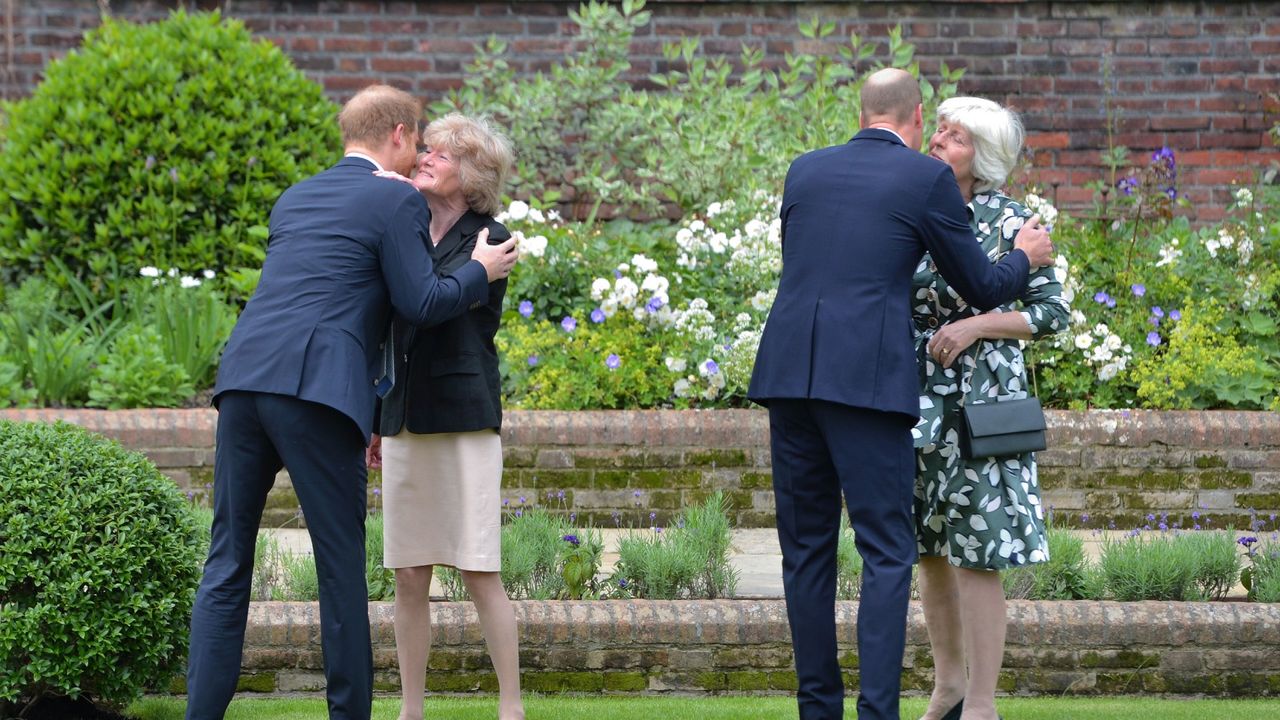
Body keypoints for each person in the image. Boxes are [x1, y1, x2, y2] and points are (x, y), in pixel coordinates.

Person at [186, 86, 518, 720]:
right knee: (340, 569)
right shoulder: (393, 198)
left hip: (243, 380)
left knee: (226, 560)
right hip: (316, 392)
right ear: (397, 133)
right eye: (417, 140)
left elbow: (321, 289)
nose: (419, 153)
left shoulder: (296, 195)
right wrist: (478, 272)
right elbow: (419, 303)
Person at [746, 68, 1055, 720]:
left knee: (805, 555)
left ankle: (818, 712)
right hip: (866, 383)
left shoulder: (805, 170)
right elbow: (983, 284)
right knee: (887, 552)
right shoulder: (925, 179)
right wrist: (1026, 255)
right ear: (915, 117)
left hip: (789, 375)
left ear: (862, 110)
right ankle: (879, 713)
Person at [911, 97, 1069, 720]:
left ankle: (981, 702)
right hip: (919, 405)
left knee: (980, 552)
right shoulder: (915, 212)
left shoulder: (1015, 223)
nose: (940, 139)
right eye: (941, 129)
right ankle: (946, 685)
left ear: (987, 158)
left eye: (956, 136)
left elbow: (1051, 314)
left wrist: (977, 326)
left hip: (984, 410)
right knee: (927, 549)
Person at [367, 113, 526, 720]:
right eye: (425, 150)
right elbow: (392, 327)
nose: (425, 158)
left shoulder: (495, 238)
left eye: (441, 153)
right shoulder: (406, 227)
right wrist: (381, 418)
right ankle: (412, 710)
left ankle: (510, 708)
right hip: (405, 418)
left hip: (462, 422)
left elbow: (432, 307)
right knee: (410, 574)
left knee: (480, 568)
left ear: (474, 173)